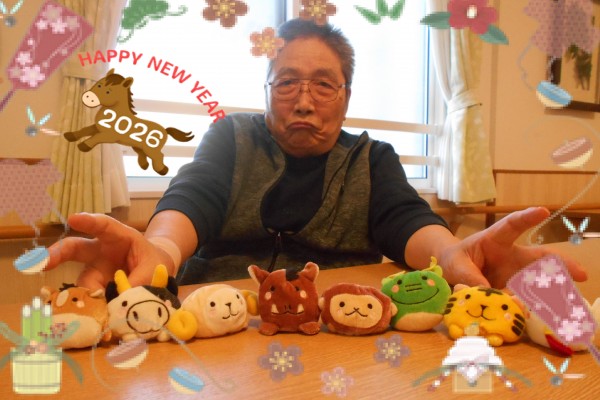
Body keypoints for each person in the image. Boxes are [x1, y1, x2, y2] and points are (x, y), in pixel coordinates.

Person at [46, 19, 586, 291]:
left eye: (324, 84)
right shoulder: (231, 136)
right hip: (219, 311)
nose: (304, 101)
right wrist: (161, 251)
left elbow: (404, 217)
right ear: (265, 91)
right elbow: (193, 197)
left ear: (346, 97)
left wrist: (451, 255)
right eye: (286, 82)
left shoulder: (372, 158)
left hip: (336, 319)